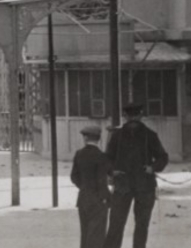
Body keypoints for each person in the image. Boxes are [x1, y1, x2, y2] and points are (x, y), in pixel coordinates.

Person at [105, 102, 169, 248]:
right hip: (126, 185)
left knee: (137, 225)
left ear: (140, 116)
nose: (133, 119)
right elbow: (107, 158)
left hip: (142, 186)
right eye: (130, 116)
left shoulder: (149, 135)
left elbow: (163, 157)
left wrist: (152, 168)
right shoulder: (117, 136)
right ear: (126, 117)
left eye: (135, 116)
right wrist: (112, 171)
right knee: (118, 225)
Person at [71, 124, 111, 248]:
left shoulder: (79, 154)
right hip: (99, 200)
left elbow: (74, 177)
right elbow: (101, 180)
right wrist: (107, 197)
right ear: (99, 139)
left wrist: (84, 187)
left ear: (86, 138)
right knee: (97, 235)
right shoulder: (102, 156)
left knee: (85, 232)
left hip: (83, 199)